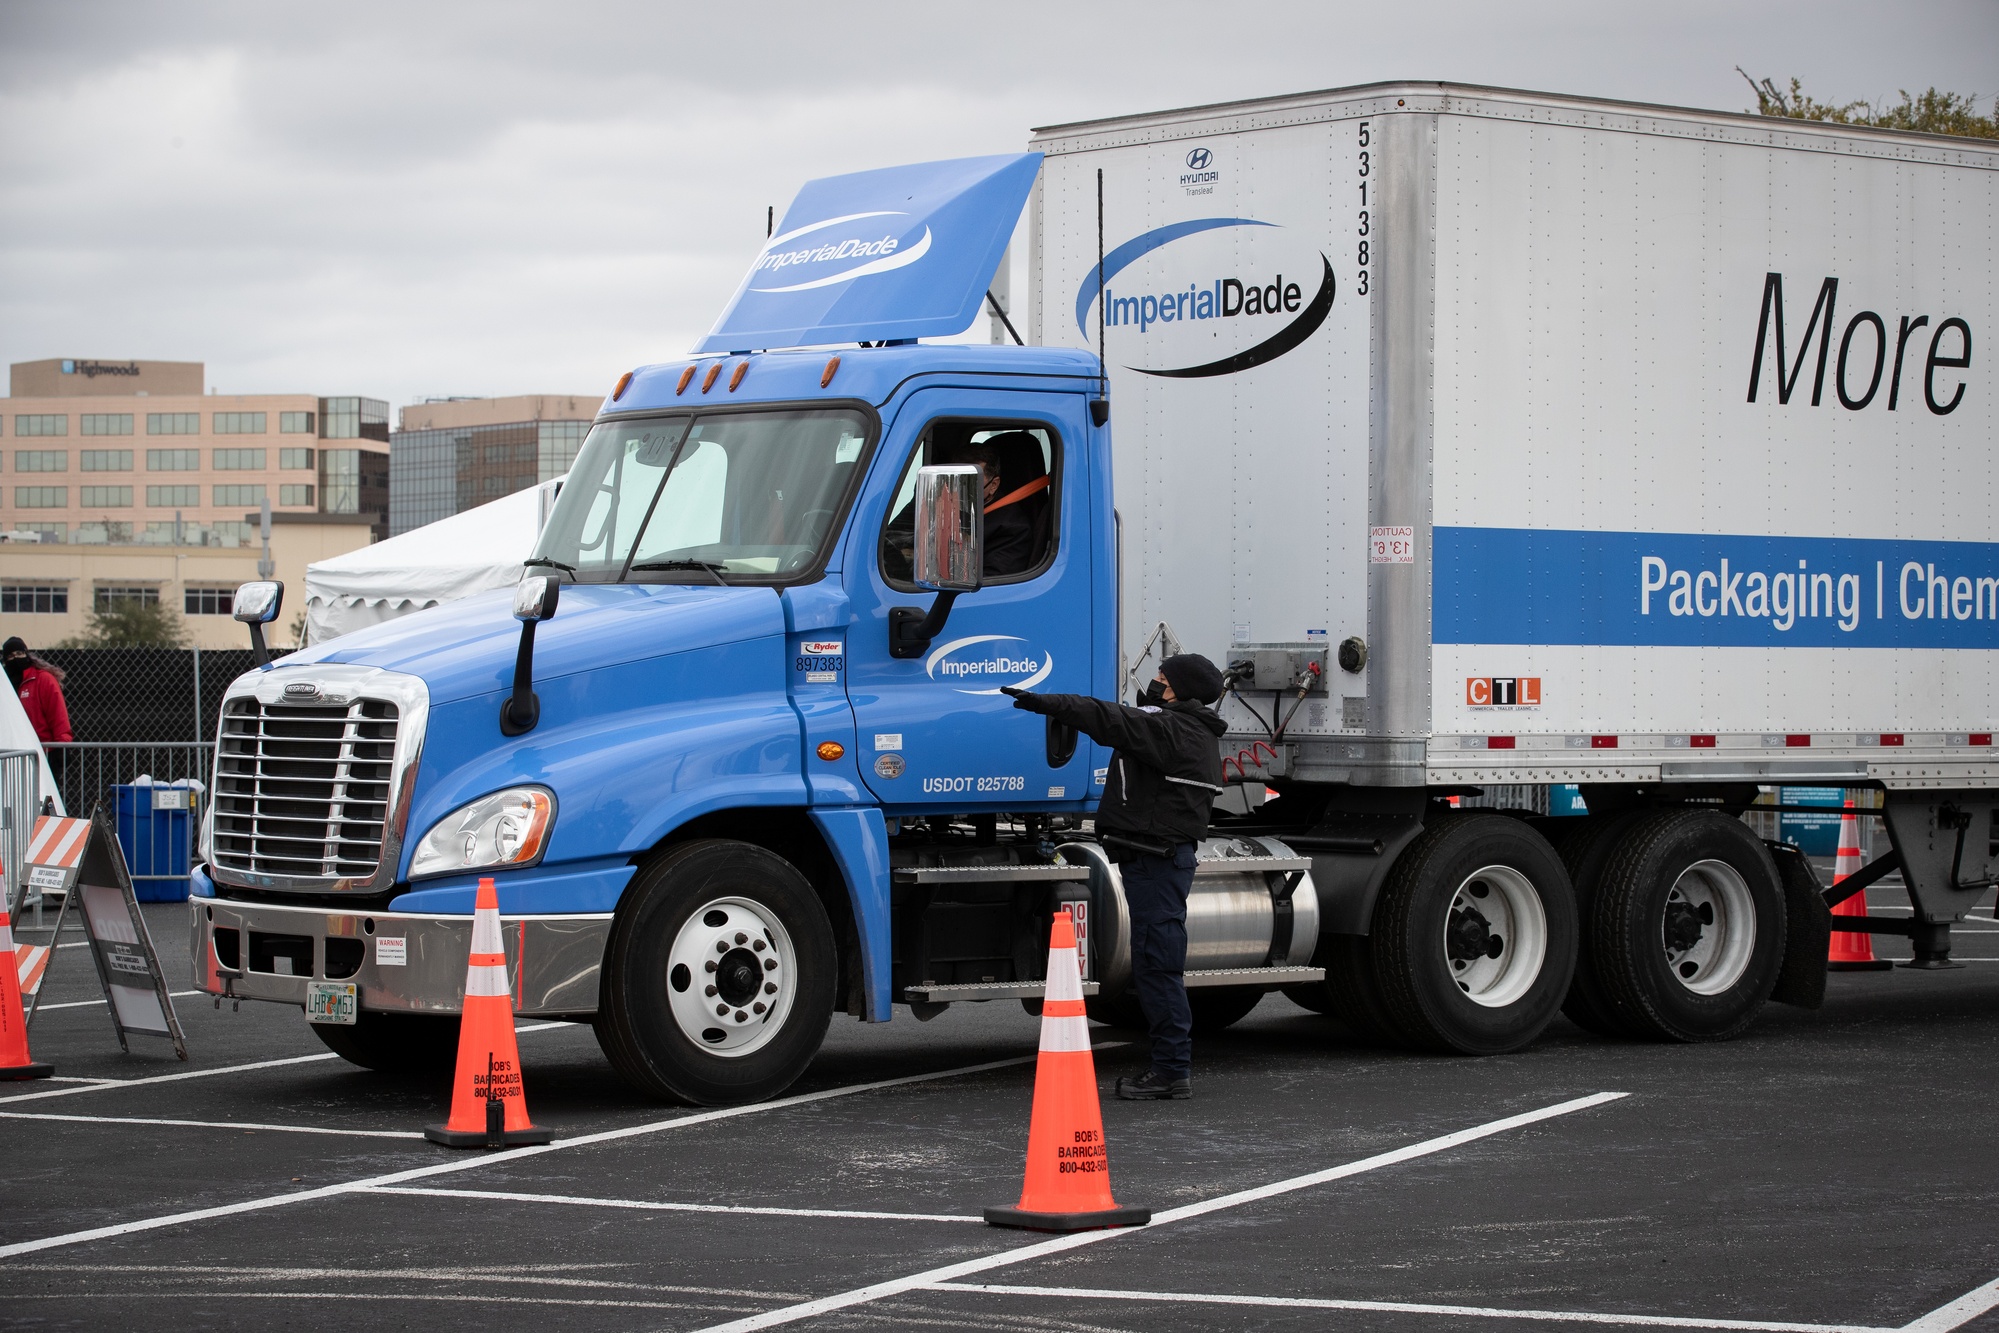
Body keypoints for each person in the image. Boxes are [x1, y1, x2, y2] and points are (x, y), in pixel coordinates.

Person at [1004, 652, 1227, 1100]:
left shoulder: (1172, 730)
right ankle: (1170, 1067)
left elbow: (1106, 717)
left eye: (1161, 682)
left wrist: (1046, 703)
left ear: (1179, 692)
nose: (1153, 686)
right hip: (1156, 860)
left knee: (1157, 965)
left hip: (1157, 863)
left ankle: (1170, 1072)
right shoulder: (1184, 729)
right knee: (1155, 963)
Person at [4, 637, 72, 743]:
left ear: (27, 655)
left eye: (19, 653)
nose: (16, 658)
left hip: (43, 748)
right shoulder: (4, 685)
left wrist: (61, 745)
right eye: (11, 656)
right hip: (12, 748)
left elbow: (58, 715)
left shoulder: (43, 679)